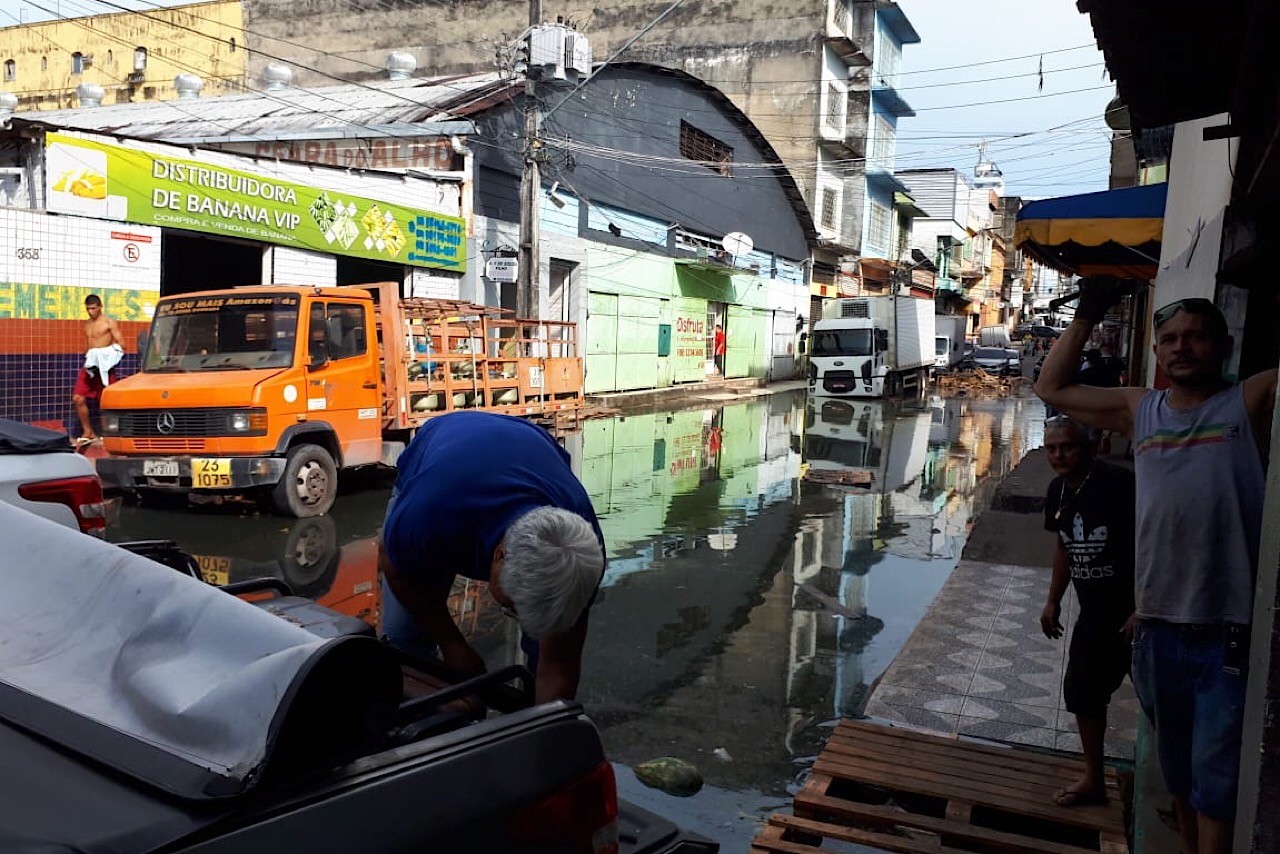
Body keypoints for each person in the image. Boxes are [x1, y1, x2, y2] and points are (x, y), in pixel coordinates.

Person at [1035, 279, 1277, 854]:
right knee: (1181, 779)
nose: (1181, 348)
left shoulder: (1247, 404)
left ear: (1223, 347)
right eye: (1169, 339)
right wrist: (1088, 313)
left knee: (1216, 783)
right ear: (1156, 352)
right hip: (1156, 629)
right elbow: (1052, 386)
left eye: (1196, 337)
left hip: (1226, 632)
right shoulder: (1140, 409)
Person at [378, 411, 605, 704]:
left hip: (525, 447)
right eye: (511, 607)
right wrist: (451, 642)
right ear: (499, 556)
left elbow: (559, 667)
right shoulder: (430, 514)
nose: (518, 618)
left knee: (548, 639)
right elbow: (396, 566)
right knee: (405, 635)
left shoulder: (580, 559)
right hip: (444, 451)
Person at [1039, 416, 1135, 807]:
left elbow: (1153, 540)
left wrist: (1144, 606)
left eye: (1067, 446)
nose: (1059, 455)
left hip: (1135, 613)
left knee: (1162, 703)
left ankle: (1177, 793)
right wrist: (1053, 599)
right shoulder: (1058, 491)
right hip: (1095, 613)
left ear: (1088, 447)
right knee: (1083, 692)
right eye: (1051, 448)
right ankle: (1093, 779)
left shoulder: (1118, 485)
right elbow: (1063, 546)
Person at [73, 294, 123, 445]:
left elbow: (122, 344)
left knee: (108, 401)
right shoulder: (87, 324)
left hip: (105, 368)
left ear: (100, 307)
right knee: (78, 398)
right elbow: (90, 345)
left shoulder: (109, 323)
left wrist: (106, 357)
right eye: (88, 309)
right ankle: (88, 432)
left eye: (93, 308)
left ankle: (109, 433)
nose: (90, 311)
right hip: (90, 367)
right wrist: (90, 356)